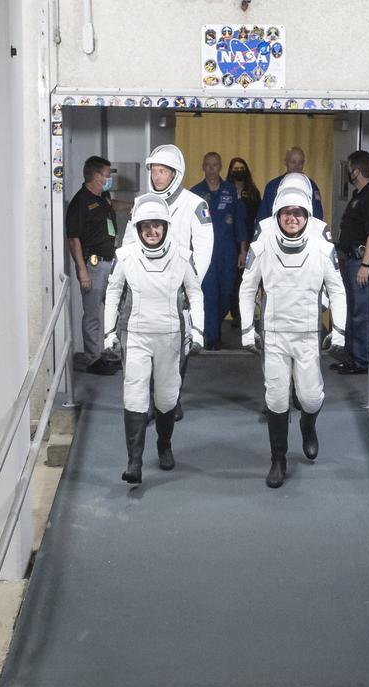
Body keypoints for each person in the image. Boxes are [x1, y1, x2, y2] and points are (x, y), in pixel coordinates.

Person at [239, 184, 346, 489]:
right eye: (287, 213)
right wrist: (247, 329)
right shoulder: (262, 246)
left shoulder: (322, 247)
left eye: (298, 213)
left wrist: (338, 331)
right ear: (278, 215)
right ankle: (278, 459)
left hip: (307, 335)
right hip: (273, 335)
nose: (292, 218)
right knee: (275, 398)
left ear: (307, 216)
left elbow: (337, 290)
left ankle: (308, 425)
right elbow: (248, 288)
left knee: (310, 398)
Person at [103, 194, 204, 485]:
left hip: (171, 337)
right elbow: (112, 293)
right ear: (137, 228)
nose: (151, 231)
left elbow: (195, 294)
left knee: (166, 396)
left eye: (156, 226)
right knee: (134, 395)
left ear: (165, 226)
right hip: (136, 335)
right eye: (145, 226)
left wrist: (197, 330)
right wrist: (109, 332)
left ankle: (164, 444)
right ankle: (134, 461)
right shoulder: (126, 256)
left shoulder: (182, 256)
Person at [122, 143, 213, 418]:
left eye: (163, 171)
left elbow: (204, 249)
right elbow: (128, 244)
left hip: (177, 291)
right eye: (154, 171)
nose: (157, 177)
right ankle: (146, 401)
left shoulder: (196, 205)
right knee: (141, 348)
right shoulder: (141, 203)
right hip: (143, 290)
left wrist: (189, 285)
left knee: (175, 349)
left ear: (176, 174)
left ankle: (171, 398)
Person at [65, 156, 120, 375]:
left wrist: (137, 204)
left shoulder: (103, 197)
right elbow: (73, 239)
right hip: (93, 265)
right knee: (93, 314)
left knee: (113, 310)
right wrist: (82, 270)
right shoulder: (81, 202)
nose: (109, 179)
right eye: (107, 175)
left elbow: (113, 207)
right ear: (96, 176)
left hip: (110, 263)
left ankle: (108, 352)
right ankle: (92, 359)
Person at [335, 150, 369, 375]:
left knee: (362, 313)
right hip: (352, 260)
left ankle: (361, 361)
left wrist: (365, 265)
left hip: (363, 262)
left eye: (349, 168)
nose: (348, 172)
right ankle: (350, 358)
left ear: (356, 171)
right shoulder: (360, 194)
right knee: (350, 310)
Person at [190, 153, 248, 349]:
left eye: (215, 165)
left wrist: (242, 250)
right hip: (204, 254)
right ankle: (212, 337)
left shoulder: (231, 191)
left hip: (228, 252)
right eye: (208, 165)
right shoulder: (195, 193)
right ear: (203, 167)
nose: (212, 169)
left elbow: (240, 221)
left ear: (221, 166)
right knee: (209, 294)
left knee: (226, 294)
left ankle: (211, 324)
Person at [227, 157, 262, 327]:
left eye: (242, 168)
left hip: (248, 241)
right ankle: (231, 312)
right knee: (230, 280)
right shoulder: (225, 191)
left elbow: (258, 219)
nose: (238, 171)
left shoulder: (253, 193)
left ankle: (242, 317)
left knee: (244, 281)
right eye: (235, 168)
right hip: (227, 242)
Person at [256, 146, 323, 224]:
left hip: (304, 232)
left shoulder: (311, 186)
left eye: (300, 163)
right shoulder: (272, 186)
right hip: (276, 231)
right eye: (293, 162)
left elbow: (317, 216)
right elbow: (263, 217)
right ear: (285, 162)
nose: (297, 166)